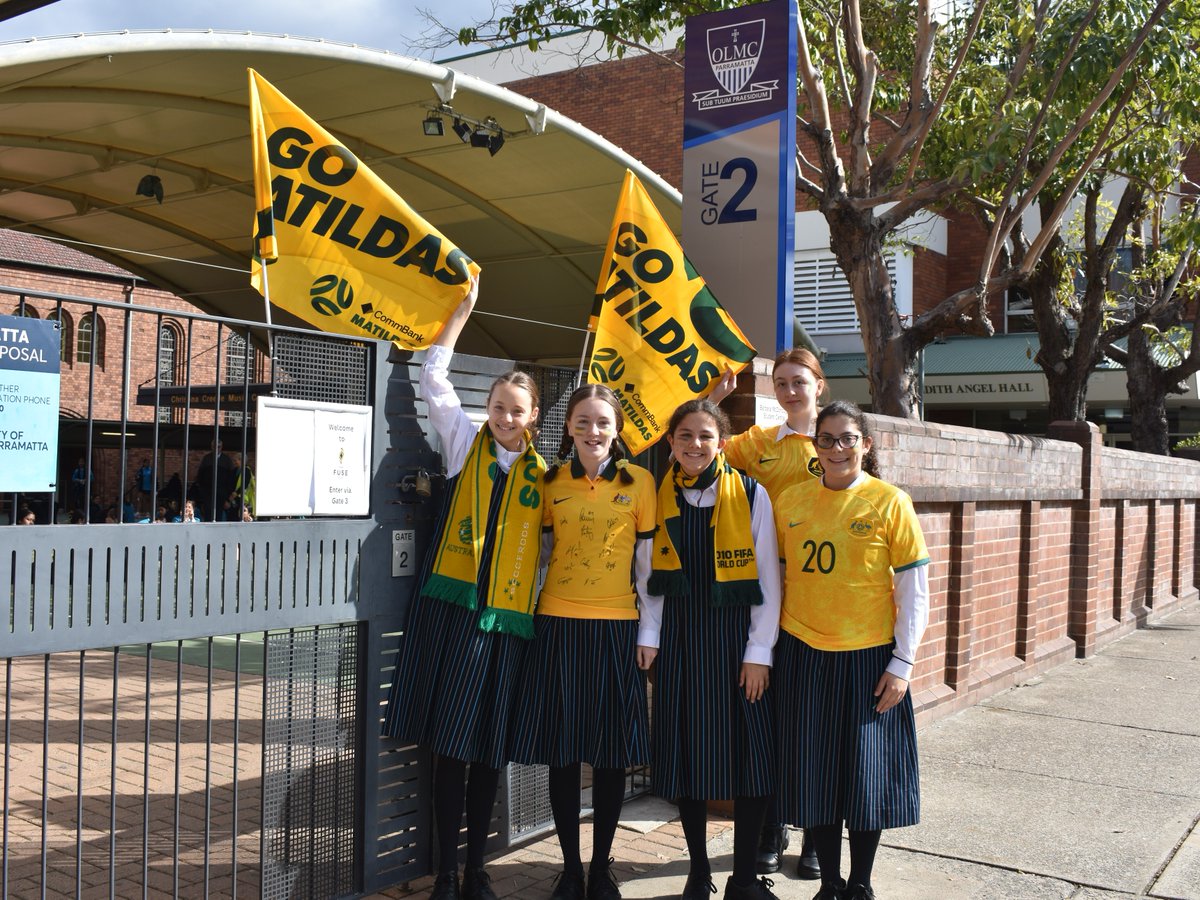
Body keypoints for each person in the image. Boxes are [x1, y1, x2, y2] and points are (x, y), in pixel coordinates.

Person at [382, 276, 546, 900]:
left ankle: (477, 867)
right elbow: (434, 377)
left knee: (489, 751)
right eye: (499, 406)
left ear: (533, 417)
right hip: (453, 614)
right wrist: (463, 310)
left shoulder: (546, 476)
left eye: (517, 410)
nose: (505, 417)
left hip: (506, 625)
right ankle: (447, 872)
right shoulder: (463, 443)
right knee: (450, 747)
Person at [772, 401, 930, 900]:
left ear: (865, 444)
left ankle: (860, 884)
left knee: (866, 776)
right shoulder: (790, 501)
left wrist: (902, 663)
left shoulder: (890, 502)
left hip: (869, 657)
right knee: (815, 772)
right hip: (803, 652)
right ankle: (829, 883)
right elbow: (777, 580)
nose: (837, 448)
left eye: (847, 439)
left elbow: (914, 591)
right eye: (827, 439)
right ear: (814, 446)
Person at [509, 384, 657, 900]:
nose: (593, 431)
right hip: (557, 626)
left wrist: (649, 632)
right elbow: (539, 553)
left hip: (618, 628)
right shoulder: (549, 482)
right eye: (583, 422)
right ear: (568, 428)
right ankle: (570, 869)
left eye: (602, 422)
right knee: (564, 754)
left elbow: (648, 568)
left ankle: (600, 870)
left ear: (617, 429)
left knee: (612, 756)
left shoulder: (641, 482)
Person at [638, 399, 781, 900]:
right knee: (689, 761)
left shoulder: (750, 493)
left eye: (705, 436)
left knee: (752, 762)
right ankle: (698, 873)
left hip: (736, 647)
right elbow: (647, 575)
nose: (695, 444)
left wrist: (759, 651)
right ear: (670, 443)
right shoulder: (659, 497)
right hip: (680, 643)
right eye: (685, 436)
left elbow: (769, 578)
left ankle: (743, 880)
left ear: (721, 443)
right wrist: (650, 636)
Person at [709, 349, 828, 878]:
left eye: (799, 381)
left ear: (818, 385)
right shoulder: (761, 442)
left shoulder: (837, 439)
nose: (789, 391)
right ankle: (772, 828)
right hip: (768, 598)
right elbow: (702, 451)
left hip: (824, 602)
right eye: (781, 383)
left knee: (815, 725)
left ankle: (818, 834)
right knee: (772, 722)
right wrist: (714, 399)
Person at [193, 440, 237, 521]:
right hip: (208, 494)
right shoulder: (206, 459)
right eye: (214, 446)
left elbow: (231, 479)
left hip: (222, 495)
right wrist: (203, 492)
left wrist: (227, 497)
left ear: (221, 447)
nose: (216, 448)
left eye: (218, 447)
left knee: (219, 516)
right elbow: (200, 476)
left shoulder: (227, 460)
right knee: (208, 515)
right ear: (211, 447)